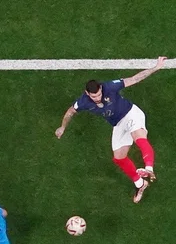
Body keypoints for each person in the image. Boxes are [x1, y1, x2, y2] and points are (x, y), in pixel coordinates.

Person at [54, 56, 167, 203]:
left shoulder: (110, 87)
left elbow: (134, 79)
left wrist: (155, 67)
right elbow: (70, 111)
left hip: (131, 114)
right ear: (87, 93)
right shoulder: (83, 102)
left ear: (101, 88)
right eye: (94, 96)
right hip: (118, 124)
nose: (98, 98)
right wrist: (62, 127)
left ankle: (149, 168)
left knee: (139, 139)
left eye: (99, 94)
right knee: (119, 158)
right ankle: (140, 184)